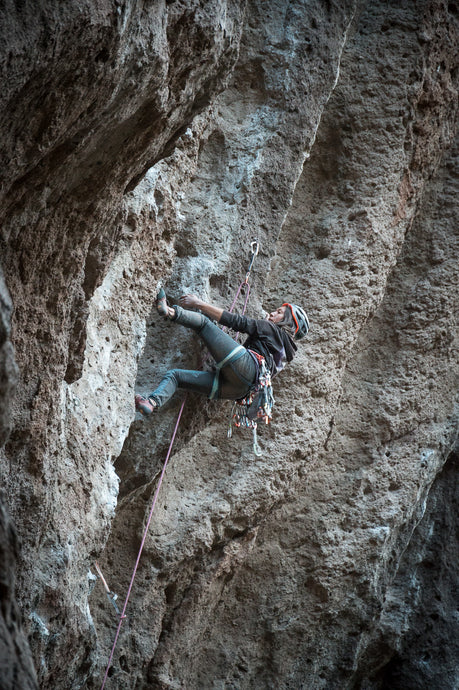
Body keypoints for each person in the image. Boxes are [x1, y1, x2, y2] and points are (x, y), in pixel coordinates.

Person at [134, 288, 309, 415]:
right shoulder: (285, 356)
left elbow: (235, 321)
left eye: (278, 313)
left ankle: (169, 311)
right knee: (176, 376)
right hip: (238, 391)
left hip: (246, 366)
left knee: (202, 323)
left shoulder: (271, 329)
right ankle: (151, 402)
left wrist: (198, 303)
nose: (271, 314)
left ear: (287, 322)